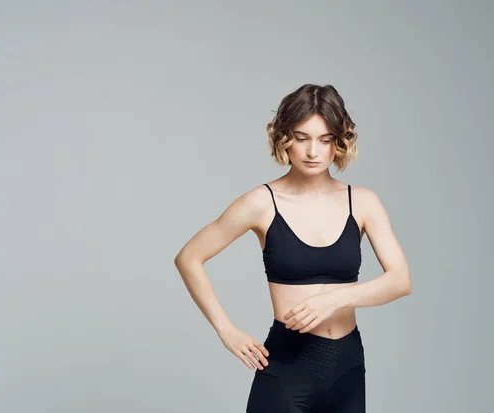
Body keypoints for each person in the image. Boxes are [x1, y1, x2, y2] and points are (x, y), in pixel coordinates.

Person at [173, 83, 411, 413]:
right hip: (289, 366)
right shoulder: (261, 203)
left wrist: (334, 299)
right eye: (302, 138)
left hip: (349, 367)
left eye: (324, 140)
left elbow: (400, 281)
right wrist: (226, 331)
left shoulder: (364, 202)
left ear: (338, 142)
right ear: (285, 138)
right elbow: (189, 257)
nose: (313, 151)